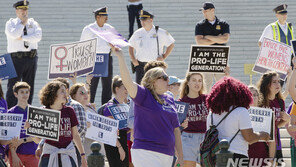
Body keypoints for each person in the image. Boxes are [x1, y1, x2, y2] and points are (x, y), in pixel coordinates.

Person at [206, 77, 270, 164]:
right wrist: (262, 135)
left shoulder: (211, 114)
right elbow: (249, 138)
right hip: (237, 156)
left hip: (215, 157)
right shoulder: (241, 111)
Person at [38, 81, 87, 167]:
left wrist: (83, 155)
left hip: (68, 153)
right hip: (49, 154)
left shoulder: (69, 110)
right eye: (62, 91)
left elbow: (75, 135)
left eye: (66, 91)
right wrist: (29, 129)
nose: (66, 93)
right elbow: (38, 139)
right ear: (53, 93)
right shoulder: (44, 111)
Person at [5, 0, 42, 109]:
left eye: (25, 9)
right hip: (16, 58)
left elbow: (38, 37)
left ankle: (27, 109)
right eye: (21, 9)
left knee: (29, 86)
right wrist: (22, 24)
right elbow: (13, 35)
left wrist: (23, 38)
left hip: (31, 57)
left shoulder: (33, 23)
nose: (24, 12)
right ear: (16, 11)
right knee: (13, 86)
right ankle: (10, 110)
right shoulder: (11, 23)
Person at [80, 7, 118, 105]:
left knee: (107, 85)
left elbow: (116, 43)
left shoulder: (109, 28)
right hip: (93, 59)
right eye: (105, 16)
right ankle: (88, 105)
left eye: (107, 16)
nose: (107, 18)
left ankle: (105, 107)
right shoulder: (88, 29)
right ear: (98, 17)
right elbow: (82, 45)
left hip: (106, 58)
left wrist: (114, 46)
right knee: (92, 84)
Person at [129, 10, 175, 84]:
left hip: (155, 65)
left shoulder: (160, 32)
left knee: (155, 86)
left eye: (144, 20)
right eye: (141, 20)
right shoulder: (138, 33)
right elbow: (131, 46)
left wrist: (164, 56)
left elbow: (171, 44)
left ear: (151, 20)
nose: (142, 22)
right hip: (141, 65)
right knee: (140, 87)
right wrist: (133, 59)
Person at [195, 2, 230, 92]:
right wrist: (218, 38)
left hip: (220, 56)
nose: (204, 13)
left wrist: (207, 37)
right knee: (206, 85)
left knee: (223, 84)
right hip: (206, 57)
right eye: (203, 11)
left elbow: (225, 39)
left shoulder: (223, 23)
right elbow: (199, 41)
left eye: (206, 11)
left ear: (212, 10)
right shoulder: (200, 25)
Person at [257, 71, 290, 165]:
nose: (278, 84)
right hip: (260, 143)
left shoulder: (280, 102)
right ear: (267, 85)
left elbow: (278, 125)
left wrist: (286, 120)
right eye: (274, 82)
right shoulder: (259, 101)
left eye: (278, 81)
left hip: (274, 142)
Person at [7, 82, 40, 167]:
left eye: (27, 92)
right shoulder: (10, 113)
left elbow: (38, 135)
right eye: (22, 92)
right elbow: (9, 137)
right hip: (17, 152)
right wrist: (13, 155)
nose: (25, 94)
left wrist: (23, 140)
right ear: (15, 94)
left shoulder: (35, 112)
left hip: (32, 152)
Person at [178, 72, 208, 167]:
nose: (197, 83)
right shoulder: (181, 102)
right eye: (194, 80)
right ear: (188, 83)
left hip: (205, 139)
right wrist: (181, 125)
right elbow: (176, 127)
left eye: (200, 81)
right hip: (187, 139)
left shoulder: (207, 99)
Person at [101, 75, 129, 167]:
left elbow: (126, 128)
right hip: (114, 143)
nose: (127, 90)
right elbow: (109, 130)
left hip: (124, 141)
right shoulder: (110, 106)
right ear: (117, 89)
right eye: (125, 87)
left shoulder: (126, 106)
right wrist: (120, 147)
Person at [69, 83, 96, 156]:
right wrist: (84, 125)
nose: (86, 95)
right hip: (82, 150)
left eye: (87, 92)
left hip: (97, 150)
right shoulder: (71, 109)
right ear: (74, 96)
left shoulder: (92, 109)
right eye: (82, 93)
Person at [247, 85, 269, 166]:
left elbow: (271, 139)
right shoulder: (242, 113)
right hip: (246, 153)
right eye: (251, 94)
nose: (254, 97)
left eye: (256, 95)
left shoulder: (266, 113)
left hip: (262, 152)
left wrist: (271, 159)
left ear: (259, 97)